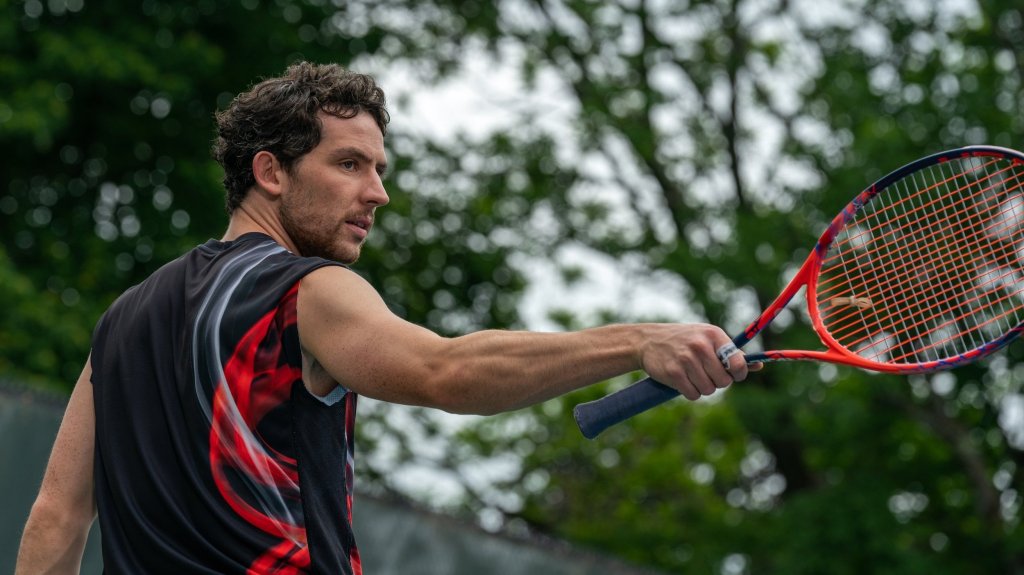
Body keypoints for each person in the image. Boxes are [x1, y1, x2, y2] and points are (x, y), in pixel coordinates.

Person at [15, 61, 756, 575]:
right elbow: (447, 370)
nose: (378, 192)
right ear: (271, 172)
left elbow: (56, 517)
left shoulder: (119, 321)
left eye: (380, 168)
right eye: (349, 164)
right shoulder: (306, 291)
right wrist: (639, 340)